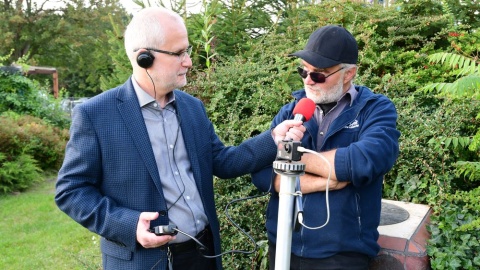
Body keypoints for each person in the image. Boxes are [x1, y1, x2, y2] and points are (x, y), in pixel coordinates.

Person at [55, 7, 305, 270]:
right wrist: (129, 225)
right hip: (144, 261)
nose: (188, 61)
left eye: (188, 51)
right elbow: (71, 191)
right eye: (179, 53)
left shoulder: (192, 107)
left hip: (202, 254)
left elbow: (221, 161)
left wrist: (273, 138)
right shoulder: (95, 115)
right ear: (144, 57)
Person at [252, 25, 401, 269]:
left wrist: (290, 159)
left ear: (349, 73)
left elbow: (363, 162)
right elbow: (260, 173)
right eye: (304, 71)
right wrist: (328, 179)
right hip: (282, 245)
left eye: (319, 74)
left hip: (342, 253)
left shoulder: (375, 109)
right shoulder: (291, 111)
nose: (308, 80)